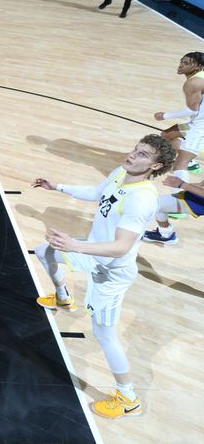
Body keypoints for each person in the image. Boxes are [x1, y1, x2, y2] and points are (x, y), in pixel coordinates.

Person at [31, 134, 176, 419]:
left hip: (111, 272)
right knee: (43, 251)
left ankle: (128, 398)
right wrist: (57, 187)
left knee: (104, 334)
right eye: (135, 149)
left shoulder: (143, 199)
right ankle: (63, 298)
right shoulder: (122, 172)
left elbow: (121, 247)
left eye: (143, 155)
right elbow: (98, 192)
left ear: (156, 166)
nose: (133, 155)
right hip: (92, 251)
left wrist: (75, 245)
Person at [153, 52, 204, 189]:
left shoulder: (193, 82)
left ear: (197, 66)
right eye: (181, 61)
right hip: (198, 121)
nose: (181, 65)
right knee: (167, 135)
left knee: (180, 163)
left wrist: (165, 115)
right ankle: (191, 162)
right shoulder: (200, 77)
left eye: (186, 63)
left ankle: (179, 200)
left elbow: (192, 110)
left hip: (201, 126)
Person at [143, 174, 204, 244]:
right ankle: (165, 234)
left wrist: (182, 184)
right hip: (197, 197)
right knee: (157, 205)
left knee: (156, 204)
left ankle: (165, 235)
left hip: (198, 202)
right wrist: (199, 185)